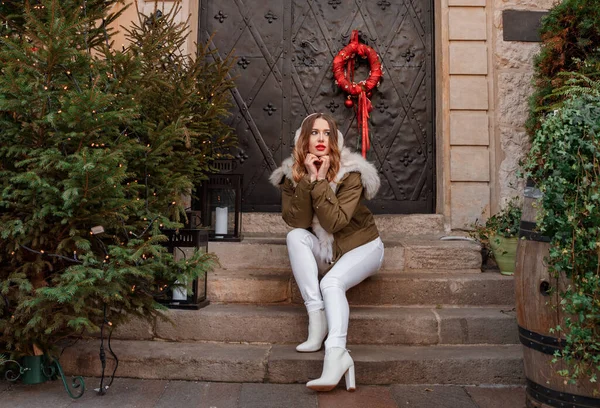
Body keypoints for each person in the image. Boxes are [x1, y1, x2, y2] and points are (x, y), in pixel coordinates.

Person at [269, 112, 384, 392]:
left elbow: (334, 222)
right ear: (303, 139)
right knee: (295, 236)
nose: (321, 138)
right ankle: (316, 317)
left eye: (327, 133)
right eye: (314, 132)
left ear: (334, 139)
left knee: (331, 283)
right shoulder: (291, 175)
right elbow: (296, 221)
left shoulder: (351, 173)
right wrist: (308, 179)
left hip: (362, 246)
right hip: (326, 251)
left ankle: (337, 354)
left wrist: (320, 181)